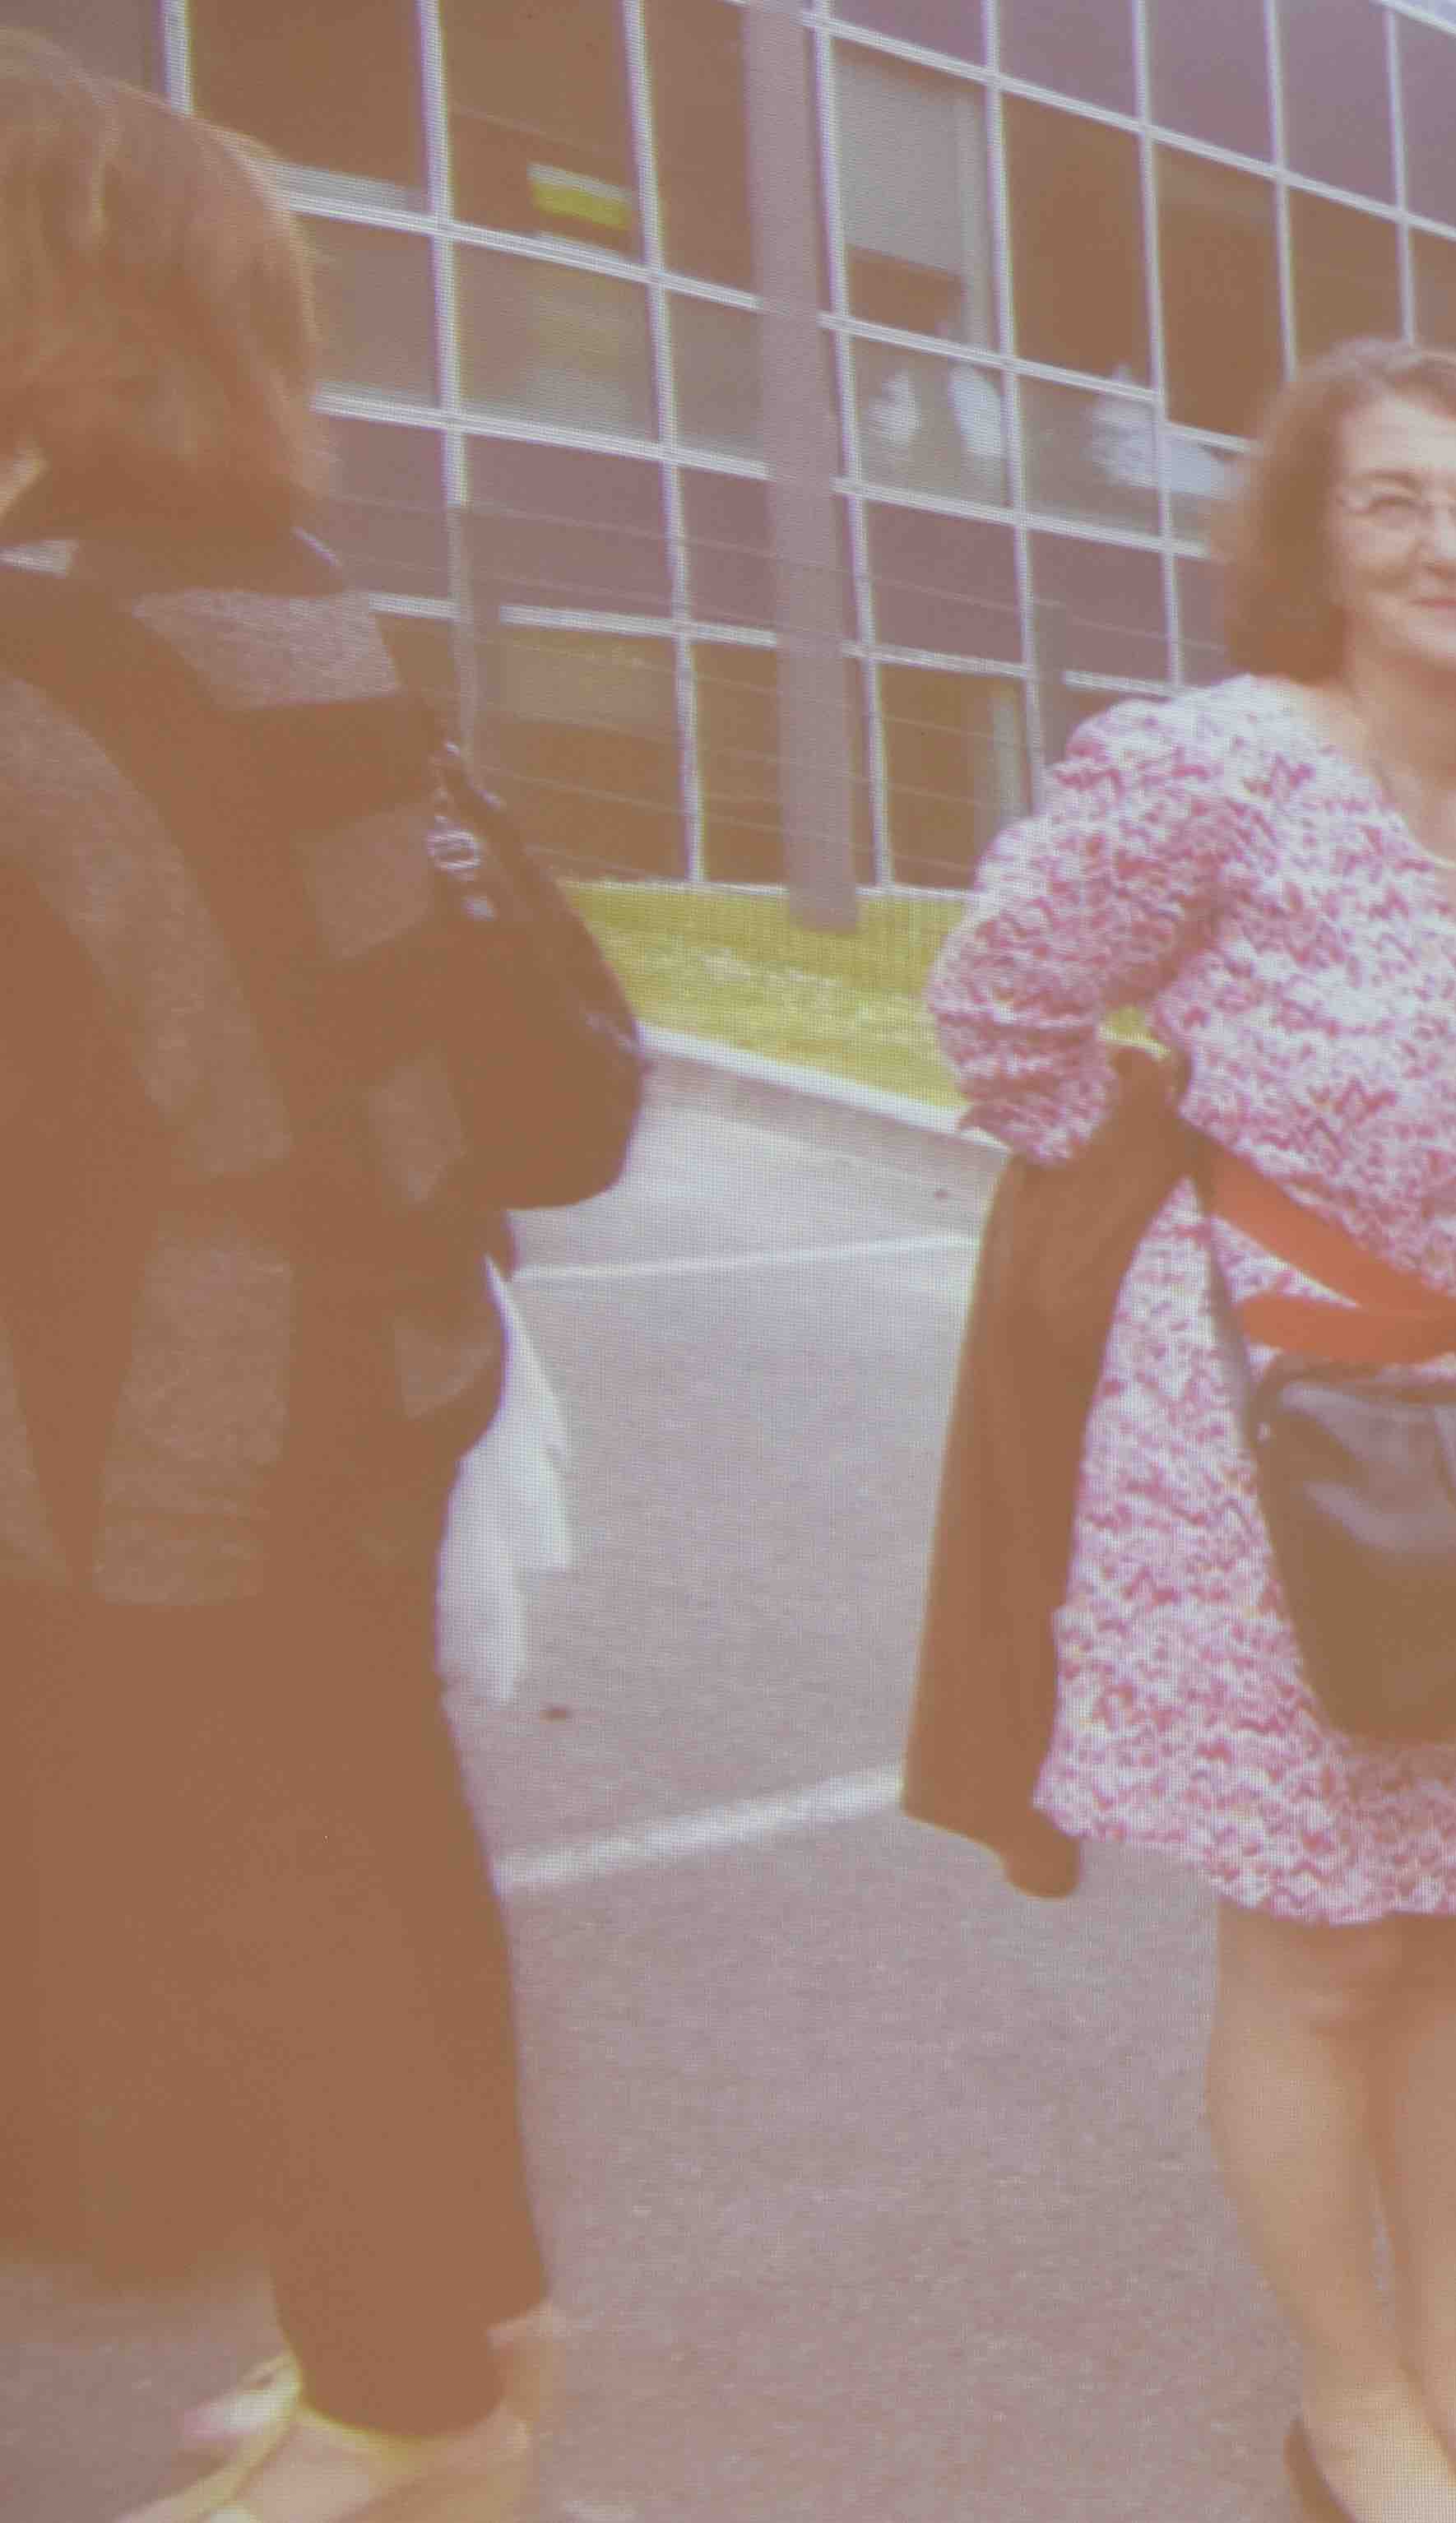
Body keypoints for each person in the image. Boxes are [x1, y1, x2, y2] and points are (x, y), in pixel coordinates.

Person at [925, 340, 1456, 2523]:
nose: (1450, 543)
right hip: (1253, 1434)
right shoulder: (1216, 767)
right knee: (1319, 1947)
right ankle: (1351, 2402)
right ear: (1318, 547)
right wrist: (1157, 1208)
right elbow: (1000, 1007)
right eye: (1397, 500)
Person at [0, 38, 556, 2523]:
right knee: (374, 1833)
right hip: (382, 1334)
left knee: (261, 1875)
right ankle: (457, 2333)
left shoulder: (47, 647)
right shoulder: (273, 599)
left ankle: (399, 2399)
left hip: (168, 1385)